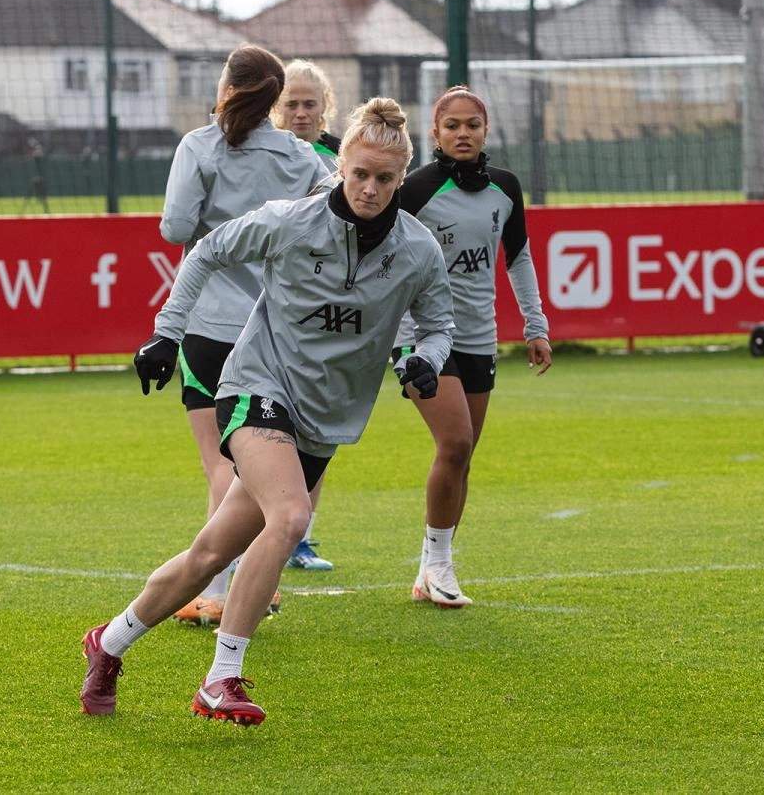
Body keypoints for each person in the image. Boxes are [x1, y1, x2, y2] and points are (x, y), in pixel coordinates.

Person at [81, 97, 454, 726]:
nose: (369, 187)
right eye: (359, 173)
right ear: (342, 167)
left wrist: (426, 357)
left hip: (324, 417)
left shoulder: (417, 250)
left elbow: (438, 324)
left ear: (401, 177)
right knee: (291, 516)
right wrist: (166, 335)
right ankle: (222, 678)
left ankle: (108, 642)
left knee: (207, 557)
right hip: (256, 386)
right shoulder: (289, 221)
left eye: (384, 178)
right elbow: (203, 252)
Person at [158, 45, 332, 624]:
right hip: (276, 328)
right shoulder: (300, 154)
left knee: (221, 464)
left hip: (210, 323)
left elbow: (177, 227)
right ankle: (262, 580)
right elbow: (330, 218)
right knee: (268, 460)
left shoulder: (199, 146)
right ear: (275, 98)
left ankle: (217, 591)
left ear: (227, 87)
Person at [392, 86, 552, 609]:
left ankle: (428, 568)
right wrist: (395, 340)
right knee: (456, 442)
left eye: (473, 125)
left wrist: (536, 324)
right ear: (434, 134)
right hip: (423, 339)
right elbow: (384, 263)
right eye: (452, 125)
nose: (463, 133)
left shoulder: (505, 188)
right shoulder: (413, 190)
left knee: (462, 455)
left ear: (486, 131)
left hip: (480, 338)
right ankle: (440, 565)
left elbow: (519, 258)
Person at [270, 58, 342, 571]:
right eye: (290, 103)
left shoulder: (343, 158)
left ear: (325, 107)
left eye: (309, 103)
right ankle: (271, 528)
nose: (300, 112)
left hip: (330, 308)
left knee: (319, 426)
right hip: (279, 304)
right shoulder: (269, 154)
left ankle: (302, 536)